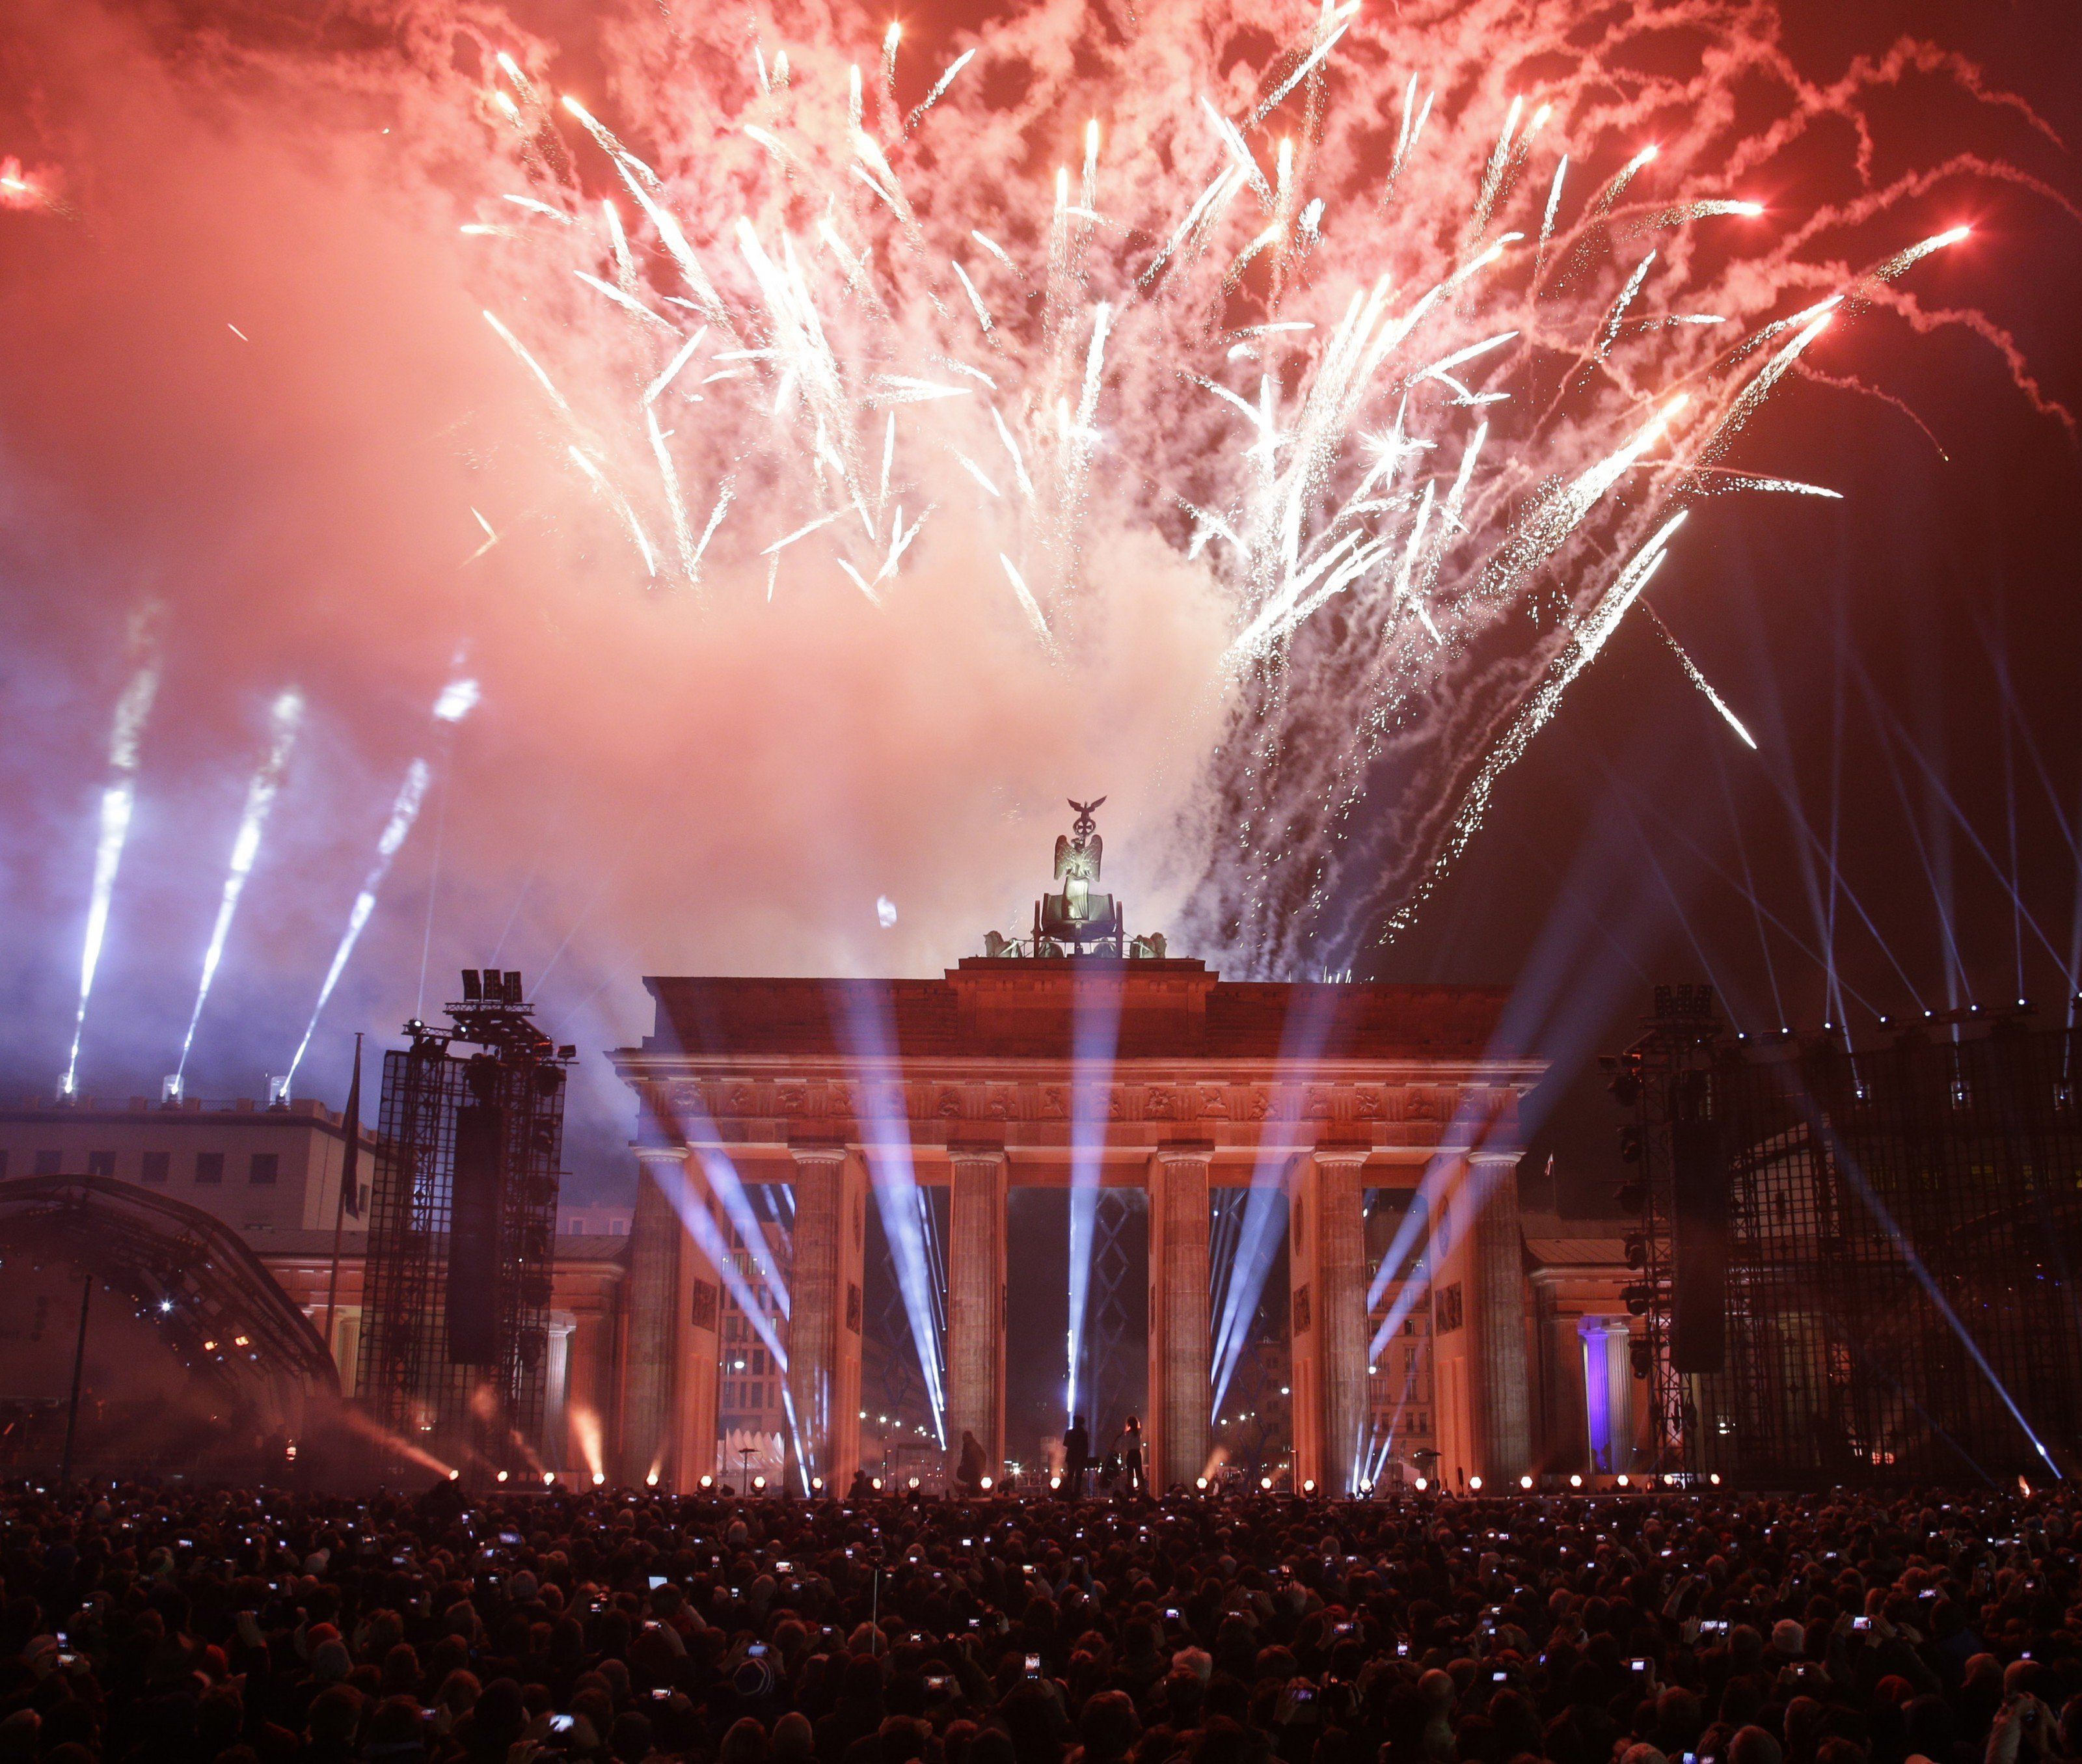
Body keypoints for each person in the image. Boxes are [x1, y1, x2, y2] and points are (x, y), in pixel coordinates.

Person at [1061, 1413, 1091, 1499]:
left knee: (1070, 1475)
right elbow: (1086, 1447)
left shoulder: (1069, 1432)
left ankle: (1068, 1492)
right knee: (1079, 1477)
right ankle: (1076, 1493)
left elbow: (1065, 1444)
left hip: (1071, 1457)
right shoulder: (1084, 1433)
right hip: (1080, 1458)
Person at [1119, 1413, 1145, 1494]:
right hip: (1137, 1453)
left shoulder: (1128, 1434)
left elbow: (1127, 1444)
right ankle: (1142, 1491)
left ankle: (1130, 1492)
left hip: (1131, 1454)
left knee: (1130, 1474)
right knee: (1139, 1473)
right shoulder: (1139, 1433)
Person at [956, 1428, 988, 1493]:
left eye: (965, 1438)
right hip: (972, 1470)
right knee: (974, 1486)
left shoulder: (972, 1446)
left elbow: (982, 1456)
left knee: (974, 1486)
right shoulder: (970, 1446)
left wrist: (981, 1466)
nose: (963, 1439)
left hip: (973, 1470)